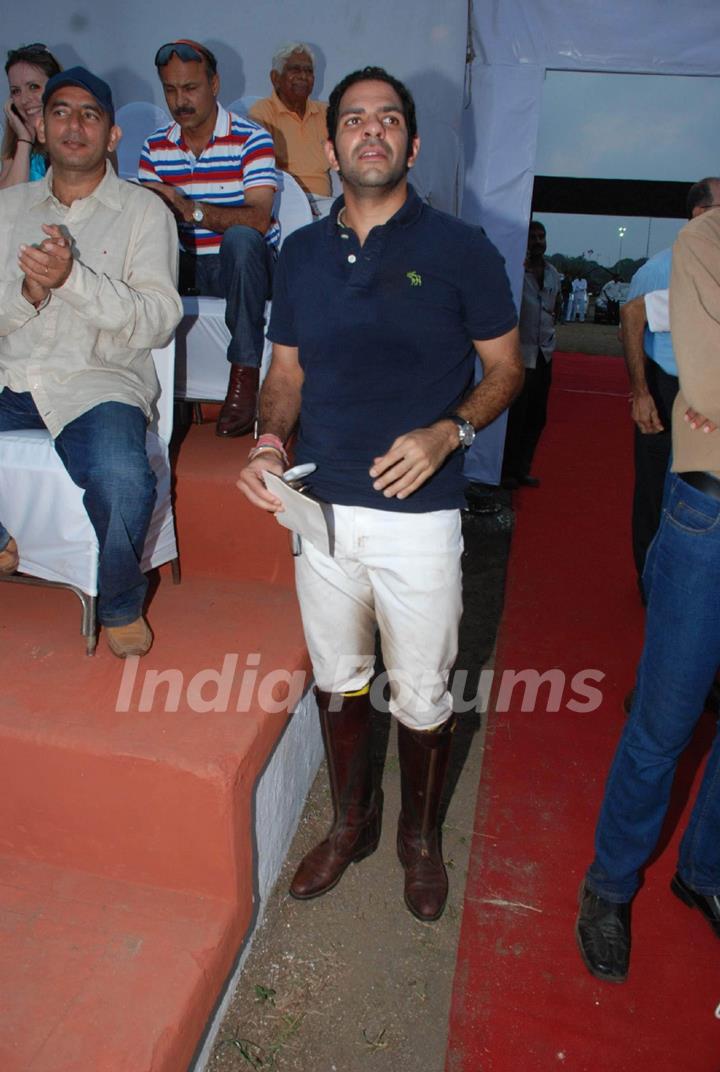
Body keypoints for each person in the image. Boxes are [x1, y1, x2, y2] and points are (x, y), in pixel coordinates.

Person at [238, 66, 522, 922]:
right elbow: (284, 374)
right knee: (339, 682)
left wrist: (451, 432)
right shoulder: (300, 255)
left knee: (427, 694)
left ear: (412, 142)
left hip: (419, 517)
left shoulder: (460, 249)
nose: (371, 132)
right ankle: (352, 823)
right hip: (319, 510)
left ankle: (420, 840)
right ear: (328, 149)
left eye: (388, 119)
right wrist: (266, 439)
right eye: (354, 120)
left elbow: (507, 367)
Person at [575, 202, 720, 984]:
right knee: (664, 723)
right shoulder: (706, 241)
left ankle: (703, 872)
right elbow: (707, 381)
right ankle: (609, 886)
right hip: (711, 510)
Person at [0, 67, 182, 656]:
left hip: (98, 383)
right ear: (41, 127)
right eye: (59, 111)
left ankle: (121, 600)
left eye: (89, 114)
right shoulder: (8, 210)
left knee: (125, 479)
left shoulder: (144, 212)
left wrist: (71, 279)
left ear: (111, 136)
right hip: (12, 376)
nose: (72, 125)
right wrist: (29, 294)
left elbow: (158, 319)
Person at [139, 40, 278, 437]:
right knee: (144, 245)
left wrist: (187, 208)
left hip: (243, 265)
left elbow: (259, 219)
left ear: (215, 84)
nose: (180, 100)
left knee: (241, 240)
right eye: (170, 89)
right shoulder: (153, 148)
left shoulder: (252, 139)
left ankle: (245, 377)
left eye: (190, 88)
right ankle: (157, 385)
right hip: (186, 264)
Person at [621, 177, 720, 598]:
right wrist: (641, 392)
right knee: (656, 491)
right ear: (699, 214)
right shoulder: (665, 265)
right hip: (669, 389)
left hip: (705, 395)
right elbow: (632, 319)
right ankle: (652, 581)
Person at [501, 219, 561, 489]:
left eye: (541, 236)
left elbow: (553, 310)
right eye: (533, 237)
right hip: (519, 353)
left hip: (544, 353)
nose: (538, 241)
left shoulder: (552, 274)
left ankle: (523, 468)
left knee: (538, 416)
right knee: (516, 416)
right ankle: (507, 471)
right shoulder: (514, 271)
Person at [249, 43, 332, 213]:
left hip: (325, 204)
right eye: (295, 70)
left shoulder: (325, 113)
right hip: (285, 204)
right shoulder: (262, 112)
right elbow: (261, 172)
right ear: (275, 78)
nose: (303, 76)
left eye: (309, 71)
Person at [1, 43, 61, 190]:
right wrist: (24, 140)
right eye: (16, 91)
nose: (24, 100)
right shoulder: (18, 140)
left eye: (33, 87)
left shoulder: (84, 134)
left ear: (57, 86)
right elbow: (6, 201)